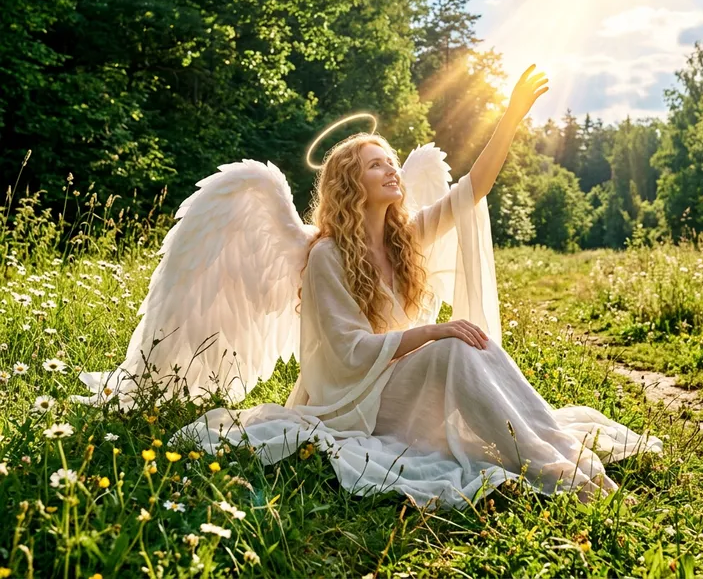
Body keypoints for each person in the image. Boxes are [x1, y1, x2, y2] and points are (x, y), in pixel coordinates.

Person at [73, 64, 663, 510]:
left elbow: (473, 188)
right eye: (378, 165)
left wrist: (509, 116)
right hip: (349, 401)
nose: (393, 170)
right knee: (453, 343)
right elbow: (351, 352)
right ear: (351, 184)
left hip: (395, 382)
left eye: (391, 162)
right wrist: (431, 330)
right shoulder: (325, 254)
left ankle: (552, 442)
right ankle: (559, 470)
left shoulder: (407, 236)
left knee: (469, 341)